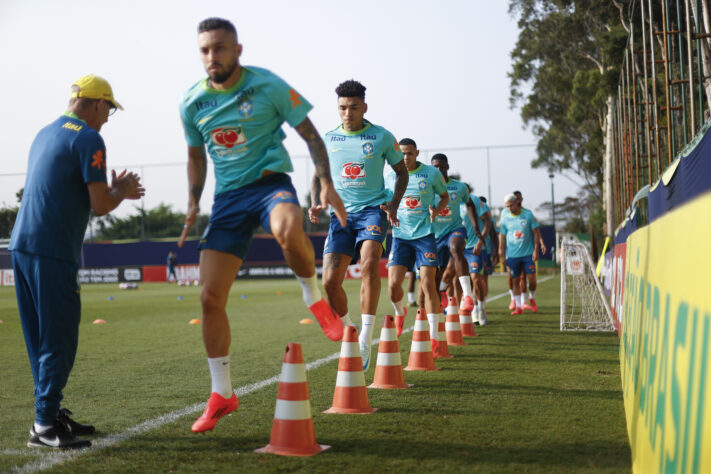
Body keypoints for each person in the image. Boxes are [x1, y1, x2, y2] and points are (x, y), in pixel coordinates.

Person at [177, 18, 347, 433]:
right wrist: (192, 203)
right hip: (228, 201)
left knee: (288, 231)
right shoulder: (191, 103)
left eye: (219, 47)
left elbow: (310, 135)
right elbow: (196, 156)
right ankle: (222, 394)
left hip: (271, 184)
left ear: (238, 49)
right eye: (205, 50)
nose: (212, 56)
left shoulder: (268, 85)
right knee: (209, 298)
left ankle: (313, 299)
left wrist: (325, 182)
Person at [10, 74, 145, 448]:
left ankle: (48, 414)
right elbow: (101, 204)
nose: (106, 120)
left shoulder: (44, 132)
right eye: (108, 112)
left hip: (22, 245)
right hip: (52, 249)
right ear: (99, 104)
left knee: (39, 339)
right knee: (59, 338)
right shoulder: (88, 138)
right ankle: (44, 426)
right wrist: (121, 190)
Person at [309, 80, 407, 370]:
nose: (347, 113)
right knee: (329, 282)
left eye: (353, 107)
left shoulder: (382, 136)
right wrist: (317, 202)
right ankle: (350, 329)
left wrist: (393, 204)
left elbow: (401, 173)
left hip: (372, 212)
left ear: (364, 107)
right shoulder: (328, 139)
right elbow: (318, 176)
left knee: (368, 263)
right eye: (342, 108)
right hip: (340, 216)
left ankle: (365, 337)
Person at [385, 138, 448, 354]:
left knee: (428, 283)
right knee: (393, 286)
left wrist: (437, 210)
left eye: (409, 153)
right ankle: (400, 311)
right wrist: (387, 210)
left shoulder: (431, 173)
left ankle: (434, 335)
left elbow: (445, 196)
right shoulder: (389, 176)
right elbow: (385, 200)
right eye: (402, 153)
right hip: (400, 237)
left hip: (425, 236)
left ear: (417, 153)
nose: (405, 157)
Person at [428, 154, 482, 314]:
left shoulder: (459, 187)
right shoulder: (427, 187)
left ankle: (467, 295)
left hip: (455, 229)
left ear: (447, 167)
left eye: (441, 166)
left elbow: (470, 204)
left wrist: (476, 228)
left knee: (455, 248)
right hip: (435, 235)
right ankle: (440, 302)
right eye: (435, 167)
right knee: (436, 277)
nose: (439, 169)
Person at [498, 193, 543, 315]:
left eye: (511, 205)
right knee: (515, 280)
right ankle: (518, 306)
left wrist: (536, 249)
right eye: (507, 206)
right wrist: (501, 252)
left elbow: (535, 233)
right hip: (512, 255)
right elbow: (502, 237)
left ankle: (531, 297)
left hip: (528, 254)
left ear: (516, 203)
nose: (509, 208)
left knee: (532, 279)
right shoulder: (505, 218)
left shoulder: (528, 215)